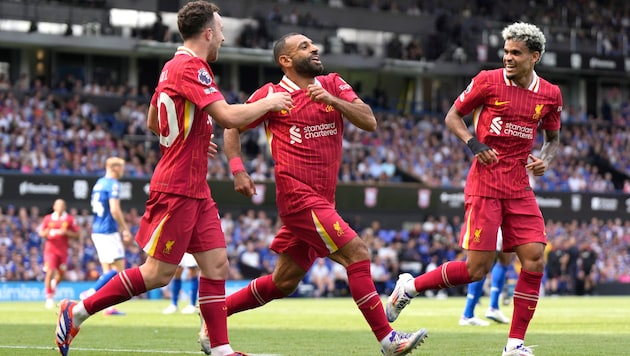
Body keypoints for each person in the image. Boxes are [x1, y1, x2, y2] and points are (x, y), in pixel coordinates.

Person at [55, 2, 292, 356]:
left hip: (195, 187)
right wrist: (270, 104)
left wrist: (191, 135)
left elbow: (154, 120)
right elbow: (228, 116)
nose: (224, 38)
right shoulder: (192, 67)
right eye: (221, 30)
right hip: (177, 186)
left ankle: (221, 348)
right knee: (157, 275)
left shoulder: (170, 66)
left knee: (216, 265)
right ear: (208, 33)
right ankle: (76, 311)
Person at [199, 32, 427, 356]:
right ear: (286, 61)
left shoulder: (333, 84)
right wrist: (237, 169)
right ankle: (388, 339)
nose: (315, 48)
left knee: (283, 282)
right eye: (304, 46)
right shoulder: (272, 94)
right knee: (358, 254)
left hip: (323, 199)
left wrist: (332, 101)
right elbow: (232, 125)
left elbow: (370, 121)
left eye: (313, 44)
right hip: (297, 196)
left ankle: (214, 314)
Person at [385, 22, 561, 356]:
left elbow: (552, 139)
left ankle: (514, 345)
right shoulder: (487, 80)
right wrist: (473, 144)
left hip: (520, 187)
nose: (508, 58)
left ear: (534, 57)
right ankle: (410, 286)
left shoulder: (550, 94)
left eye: (516, 53)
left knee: (534, 260)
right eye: (506, 51)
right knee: (475, 269)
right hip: (485, 184)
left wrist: (546, 160)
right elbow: (453, 116)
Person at [79, 157, 131, 316]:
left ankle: (108, 308)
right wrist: (125, 229)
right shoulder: (112, 184)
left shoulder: (99, 183)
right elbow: (114, 210)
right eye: (121, 168)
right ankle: (91, 292)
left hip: (97, 230)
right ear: (115, 168)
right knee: (118, 270)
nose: (123, 171)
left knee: (107, 270)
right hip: (108, 230)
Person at [39, 199, 79, 309]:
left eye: (62, 205)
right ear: (54, 207)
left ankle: (54, 284)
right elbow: (41, 233)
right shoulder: (48, 218)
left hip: (63, 251)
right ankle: (49, 297)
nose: (60, 207)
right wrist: (47, 232)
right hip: (50, 250)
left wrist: (66, 232)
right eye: (58, 205)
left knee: (61, 273)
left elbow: (77, 235)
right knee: (50, 271)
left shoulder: (69, 219)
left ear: (65, 207)